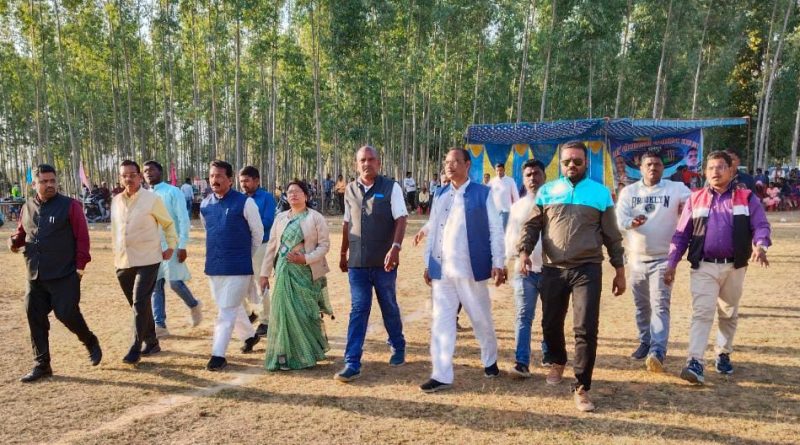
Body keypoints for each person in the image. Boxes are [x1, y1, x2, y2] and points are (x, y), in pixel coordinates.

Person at [517, 141, 626, 412]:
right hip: (553, 269)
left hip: (587, 269)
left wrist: (619, 270)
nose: (572, 165)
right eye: (567, 161)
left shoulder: (600, 193)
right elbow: (532, 226)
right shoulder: (547, 191)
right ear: (560, 164)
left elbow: (612, 236)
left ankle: (581, 386)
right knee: (550, 323)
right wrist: (524, 252)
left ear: (586, 162)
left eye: (577, 161)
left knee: (586, 327)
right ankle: (557, 360)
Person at [666, 151, 771, 385]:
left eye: (720, 167)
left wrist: (761, 245)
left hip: (735, 267)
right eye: (711, 168)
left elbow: (761, 226)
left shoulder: (746, 197)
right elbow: (681, 235)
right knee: (702, 313)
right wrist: (671, 263)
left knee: (728, 312)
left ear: (731, 170)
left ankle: (723, 353)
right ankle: (694, 361)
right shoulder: (696, 198)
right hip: (703, 266)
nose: (715, 171)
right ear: (705, 172)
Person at [419, 148, 505, 393]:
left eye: (456, 161)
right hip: (442, 271)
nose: (450, 165)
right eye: (447, 162)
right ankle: (441, 374)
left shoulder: (482, 193)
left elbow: (495, 229)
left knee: (480, 319)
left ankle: (490, 359)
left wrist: (498, 262)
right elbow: (434, 229)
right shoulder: (440, 193)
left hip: (470, 269)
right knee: (441, 322)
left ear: (468, 165)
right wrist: (428, 263)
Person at [9, 164, 102, 382]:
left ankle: (89, 340)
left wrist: (79, 268)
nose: (49, 185)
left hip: (64, 274)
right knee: (34, 316)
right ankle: (42, 365)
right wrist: (14, 242)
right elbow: (23, 233)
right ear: (34, 184)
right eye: (44, 181)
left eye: (52, 181)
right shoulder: (27, 207)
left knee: (66, 313)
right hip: (35, 274)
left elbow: (82, 238)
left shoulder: (70, 206)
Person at [335, 145, 408, 382]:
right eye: (362, 160)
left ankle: (397, 344)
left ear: (379, 163)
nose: (367, 163)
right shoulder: (350, 190)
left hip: (384, 262)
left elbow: (401, 218)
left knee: (388, 304)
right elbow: (347, 223)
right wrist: (343, 253)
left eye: (371, 159)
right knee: (359, 309)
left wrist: (395, 248)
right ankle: (352, 362)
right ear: (356, 164)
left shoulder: (391, 187)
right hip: (358, 262)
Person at [615, 150, 691, 372]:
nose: (653, 168)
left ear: (663, 168)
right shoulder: (629, 192)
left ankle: (657, 351)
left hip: (664, 258)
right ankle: (645, 341)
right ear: (640, 168)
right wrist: (631, 223)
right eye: (648, 164)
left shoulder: (675, 189)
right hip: (636, 258)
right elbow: (619, 219)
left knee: (660, 304)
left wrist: (685, 211)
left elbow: (696, 203)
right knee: (641, 306)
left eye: (657, 164)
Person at [259, 181, 331, 371]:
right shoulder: (281, 218)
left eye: (297, 191)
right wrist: (264, 274)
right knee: (283, 312)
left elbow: (324, 246)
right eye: (290, 192)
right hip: (284, 271)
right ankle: (284, 356)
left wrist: (305, 259)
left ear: (306, 196)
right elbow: (271, 247)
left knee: (304, 313)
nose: (293, 195)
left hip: (306, 272)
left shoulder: (315, 217)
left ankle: (307, 353)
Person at [111, 160, 178, 364]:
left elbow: (168, 224)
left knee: (140, 301)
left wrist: (171, 246)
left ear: (140, 176)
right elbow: (116, 230)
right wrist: (115, 253)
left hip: (149, 258)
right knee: (137, 304)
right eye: (124, 175)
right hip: (123, 260)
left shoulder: (152, 199)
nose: (128, 179)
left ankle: (135, 346)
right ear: (120, 178)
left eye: (132, 175)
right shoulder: (116, 201)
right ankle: (152, 342)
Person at [200, 160, 264, 371]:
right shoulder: (205, 205)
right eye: (212, 176)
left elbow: (257, 233)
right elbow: (209, 231)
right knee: (228, 305)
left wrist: (244, 255)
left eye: (219, 176)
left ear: (230, 179)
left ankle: (218, 354)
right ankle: (250, 336)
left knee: (226, 311)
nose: (214, 180)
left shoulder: (245, 203)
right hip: (214, 266)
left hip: (238, 266)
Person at [143, 161, 203, 339]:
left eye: (152, 170)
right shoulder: (144, 195)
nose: (148, 173)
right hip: (152, 247)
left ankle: (194, 305)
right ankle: (160, 325)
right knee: (156, 285)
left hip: (172, 243)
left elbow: (183, 219)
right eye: (145, 171)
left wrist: (182, 245)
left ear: (160, 172)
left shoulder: (172, 192)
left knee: (175, 282)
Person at [505, 159, 549, 378]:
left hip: (552, 269)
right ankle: (521, 362)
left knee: (551, 316)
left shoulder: (555, 203)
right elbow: (510, 237)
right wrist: (506, 262)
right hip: (524, 272)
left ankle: (549, 354)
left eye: (536, 174)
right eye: (528, 175)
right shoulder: (517, 207)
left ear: (545, 176)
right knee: (523, 316)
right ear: (523, 180)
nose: (533, 178)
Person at [239, 166, 277, 337]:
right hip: (242, 247)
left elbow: (268, 221)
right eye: (241, 181)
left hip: (262, 245)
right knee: (239, 283)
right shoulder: (240, 199)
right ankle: (249, 314)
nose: (243, 184)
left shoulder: (266, 198)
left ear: (257, 180)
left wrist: (245, 227)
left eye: (247, 181)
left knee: (261, 283)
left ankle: (266, 320)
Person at [488, 162, 519, 230]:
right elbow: (488, 196)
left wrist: (517, 208)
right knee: (495, 230)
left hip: (506, 210)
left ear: (504, 170)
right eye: (497, 171)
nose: (499, 172)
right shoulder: (492, 181)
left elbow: (515, 195)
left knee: (503, 231)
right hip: (495, 211)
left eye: (501, 170)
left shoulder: (510, 180)